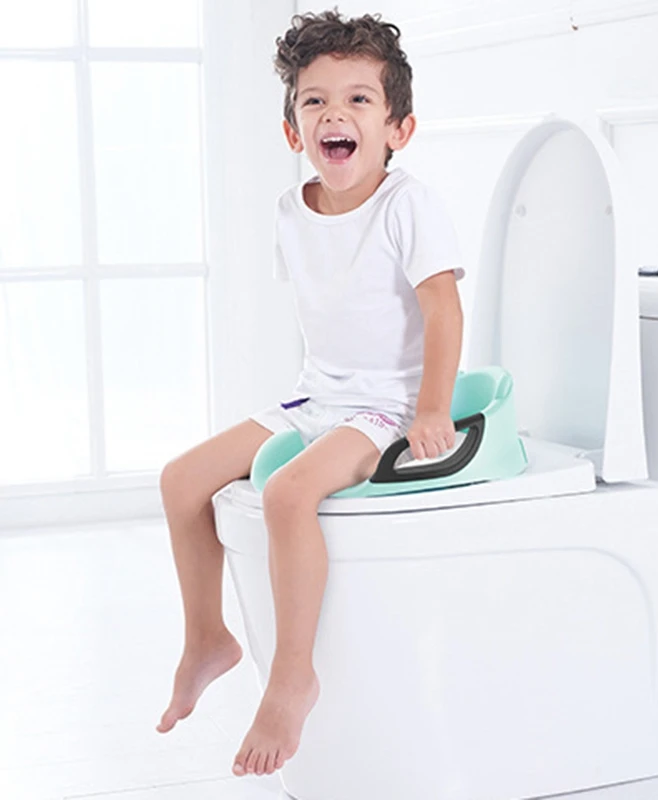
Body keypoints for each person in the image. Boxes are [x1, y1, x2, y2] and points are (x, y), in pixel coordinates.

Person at [155, 9, 465, 779]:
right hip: (314, 398)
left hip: (387, 404)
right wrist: (309, 412)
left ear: (399, 128)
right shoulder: (291, 211)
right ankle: (206, 637)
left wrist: (432, 408)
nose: (335, 114)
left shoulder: (407, 205)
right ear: (294, 131)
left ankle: (293, 676)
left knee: (289, 495)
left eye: (359, 99)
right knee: (182, 479)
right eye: (314, 100)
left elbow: (442, 310)